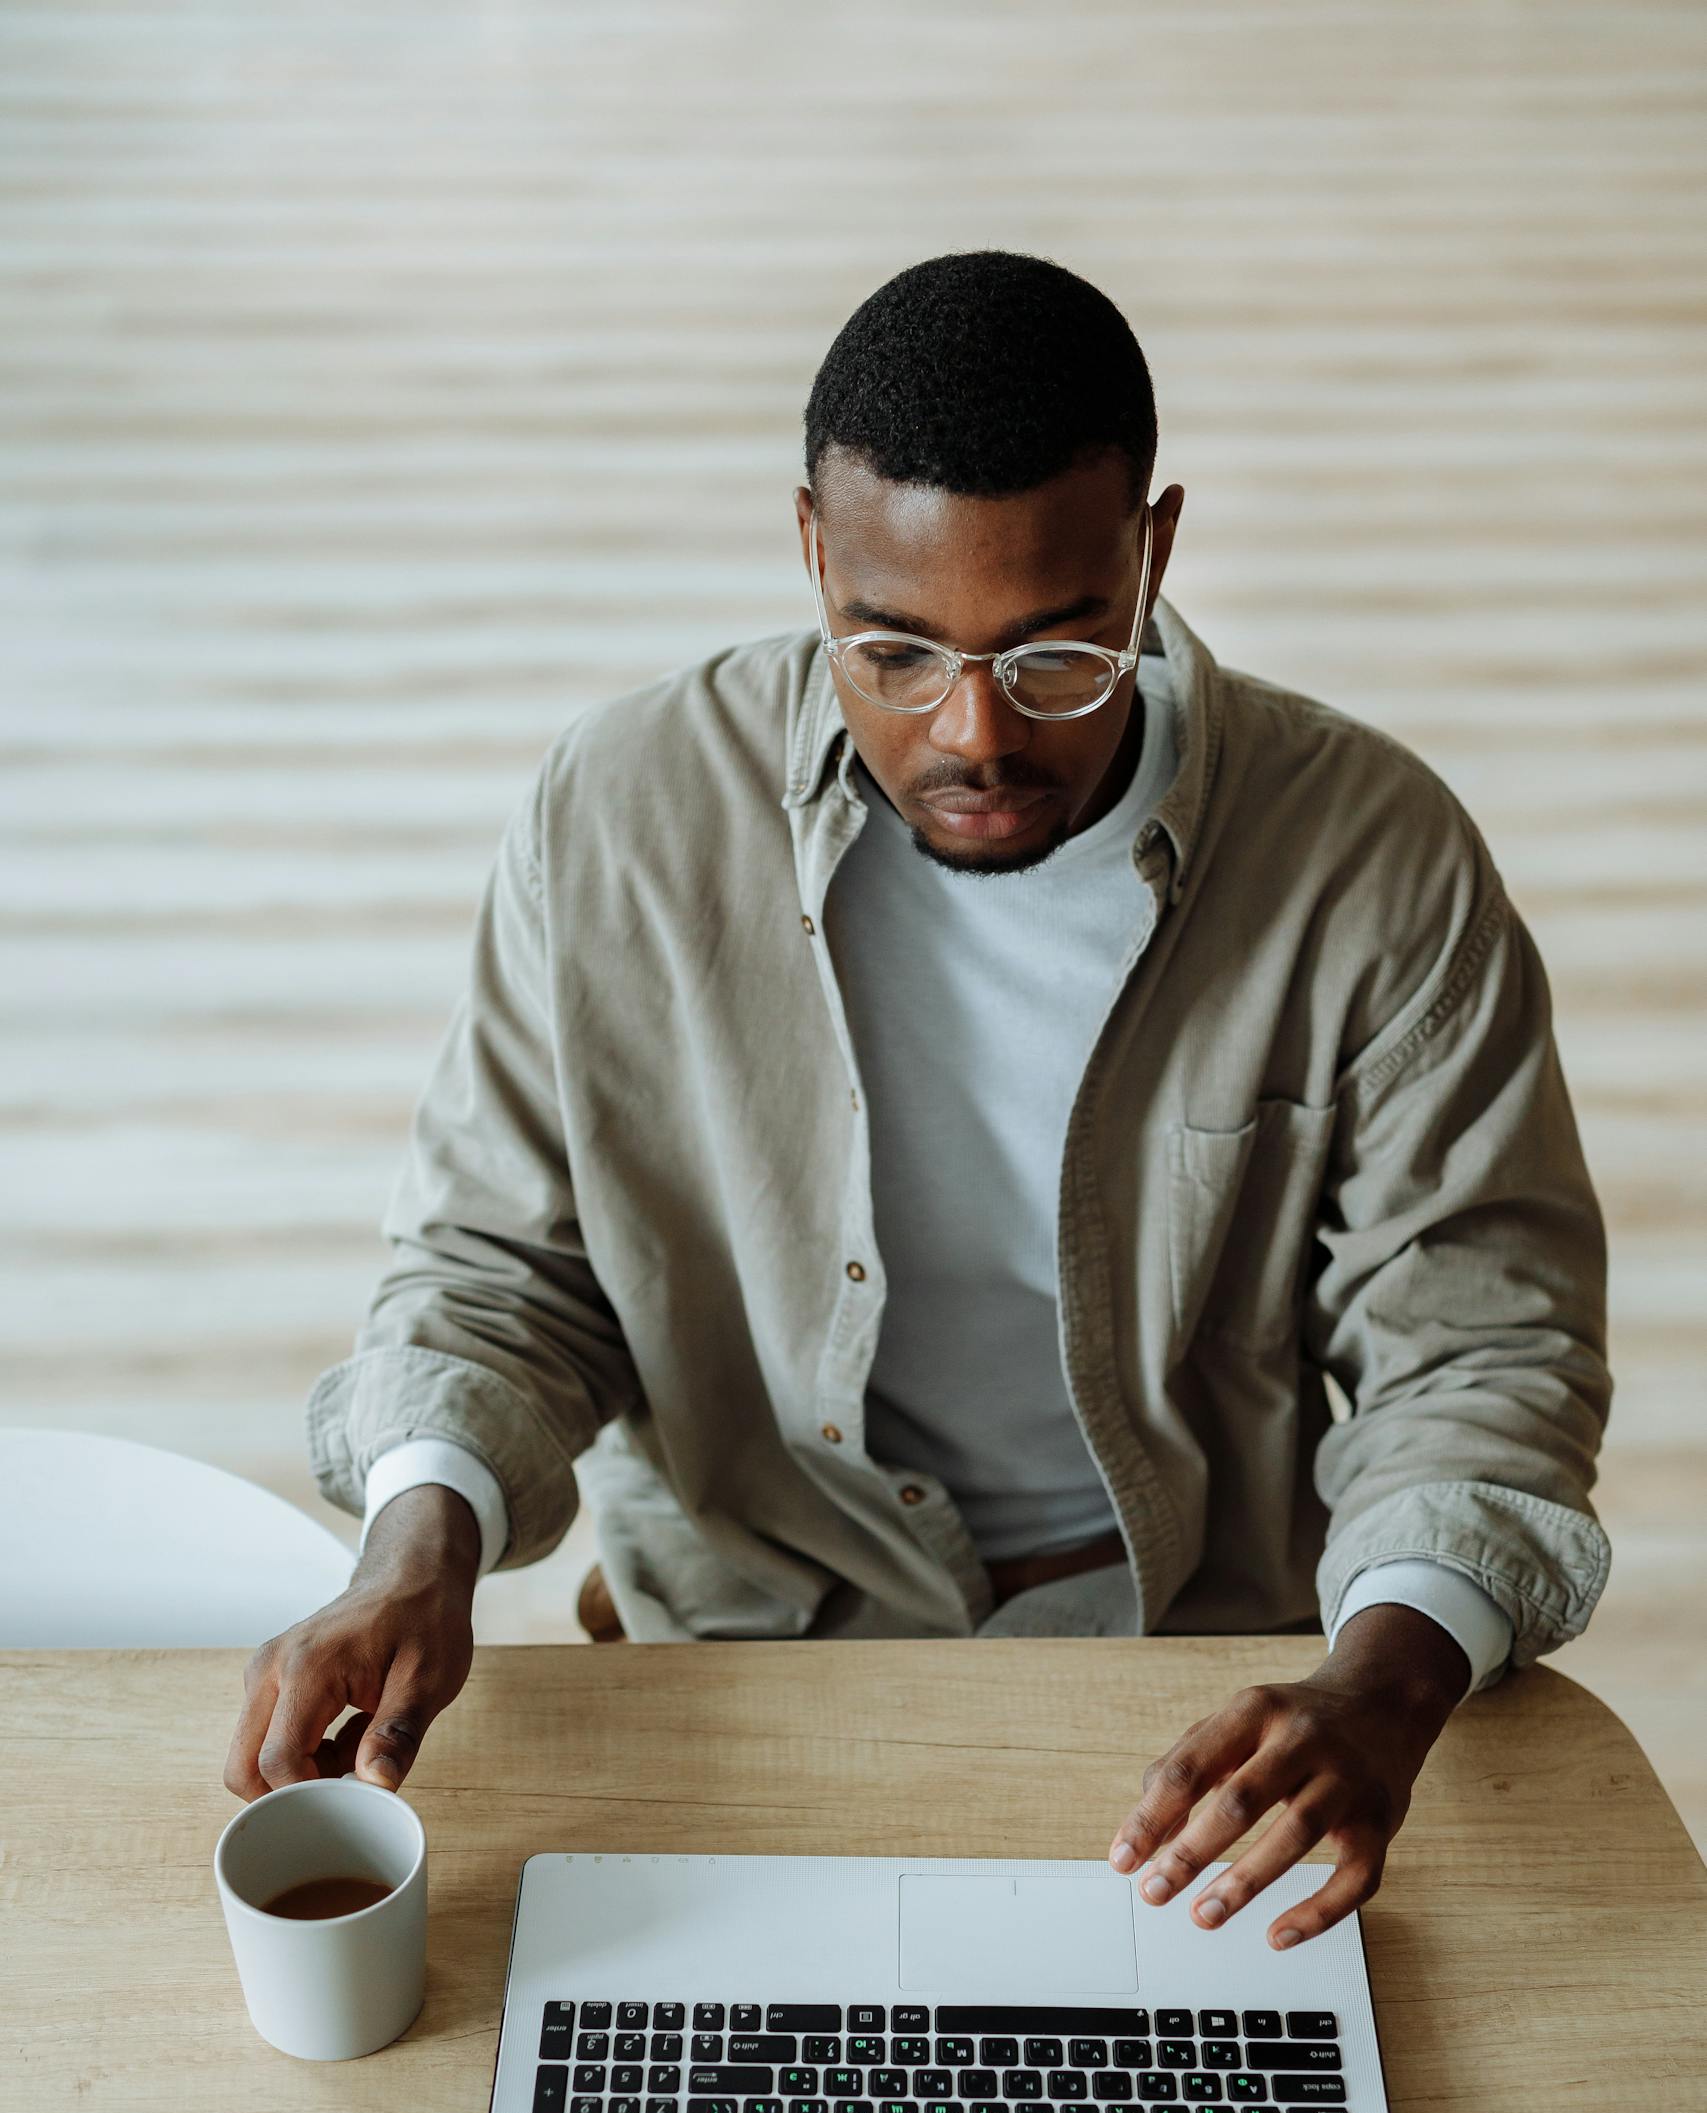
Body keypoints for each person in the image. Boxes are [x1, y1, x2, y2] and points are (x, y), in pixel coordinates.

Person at [225, 250, 1612, 1956]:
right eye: (891, 650)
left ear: (1152, 555)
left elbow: (1480, 1348)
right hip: (743, 1647)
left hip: (1201, 1653)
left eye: (1056, 655)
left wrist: (1385, 1689)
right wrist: (414, 1547)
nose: (974, 737)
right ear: (810, 545)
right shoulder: (622, 815)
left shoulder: (1373, 860)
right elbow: (503, 1263)